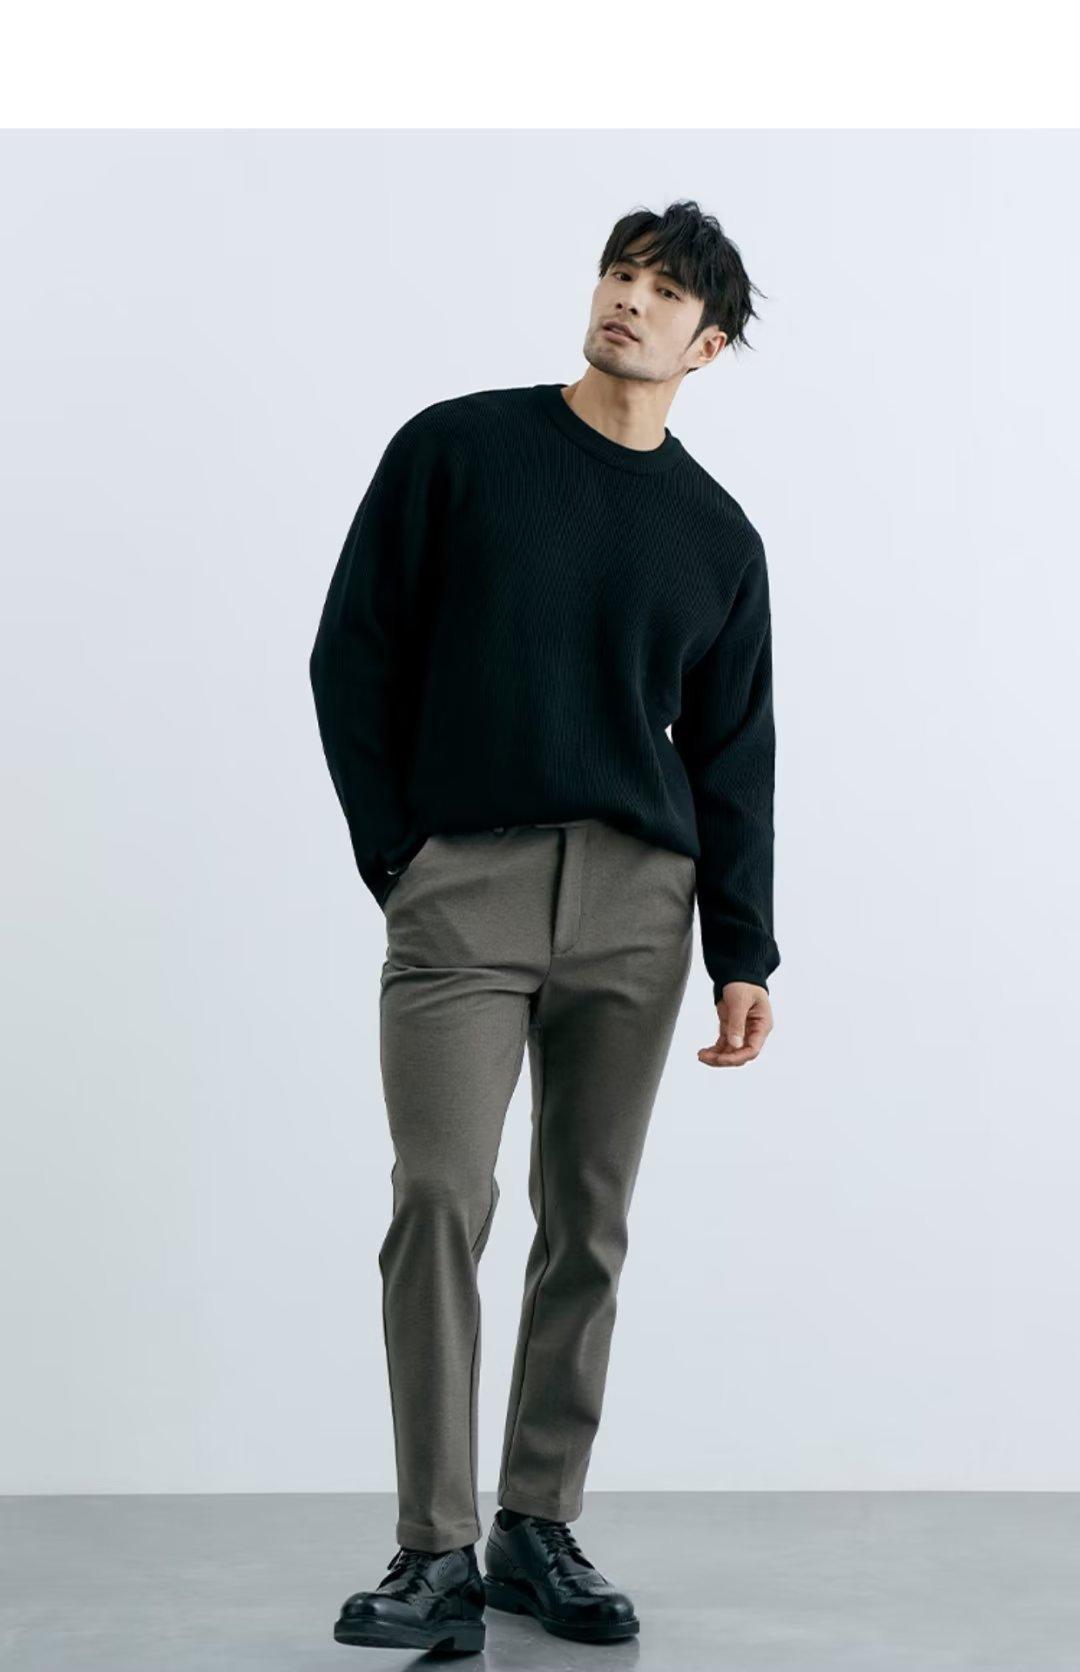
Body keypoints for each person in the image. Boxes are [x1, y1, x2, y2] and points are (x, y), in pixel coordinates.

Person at [309, 198, 780, 1653]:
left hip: (639, 906)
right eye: (619, 273)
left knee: (588, 1220)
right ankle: (431, 1549)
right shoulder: (459, 449)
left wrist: (743, 950)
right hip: (467, 885)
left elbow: (735, 756)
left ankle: (536, 1523)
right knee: (440, 1200)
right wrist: (402, 857)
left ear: (708, 346)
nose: (628, 299)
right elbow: (353, 652)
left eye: (665, 292)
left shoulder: (718, 537)